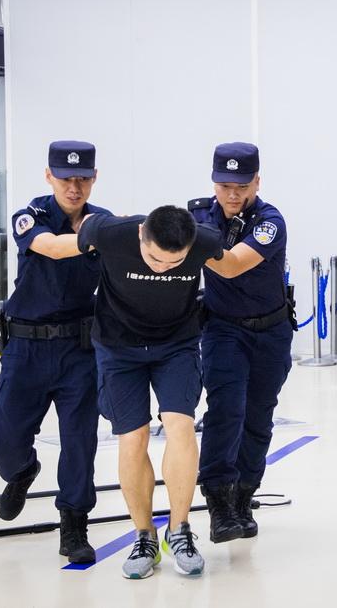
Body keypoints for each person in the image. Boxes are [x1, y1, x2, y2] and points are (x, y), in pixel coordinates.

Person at [76, 205, 222, 579]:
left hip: (176, 345)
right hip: (118, 347)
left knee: (180, 426)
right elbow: (83, 229)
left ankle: (179, 530)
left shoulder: (205, 240)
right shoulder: (110, 232)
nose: (162, 269)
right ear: (141, 233)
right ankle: (144, 536)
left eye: (174, 263)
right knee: (133, 437)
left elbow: (232, 262)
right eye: (154, 259)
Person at [0, 140, 110, 564]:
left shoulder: (102, 220)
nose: (74, 188)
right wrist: (98, 236)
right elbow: (53, 247)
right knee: (5, 441)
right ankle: (22, 471)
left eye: (82, 179)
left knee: (80, 442)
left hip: (79, 349)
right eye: (65, 179)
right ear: (48, 176)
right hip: (26, 347)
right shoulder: (31, 216)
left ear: (94, 179)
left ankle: (74, 522)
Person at [189, 142, 293, 543]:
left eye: (242, 186)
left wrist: (189, 242)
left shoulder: (269, 221)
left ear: (257, 182)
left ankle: (244, 496)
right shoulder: (198, 216)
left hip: (270, 332)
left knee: (258, 416)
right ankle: (218, 503)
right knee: (225, 411)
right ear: (214, 182)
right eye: (225, 186)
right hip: (223, 330)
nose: (233, 195)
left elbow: (232, 266)